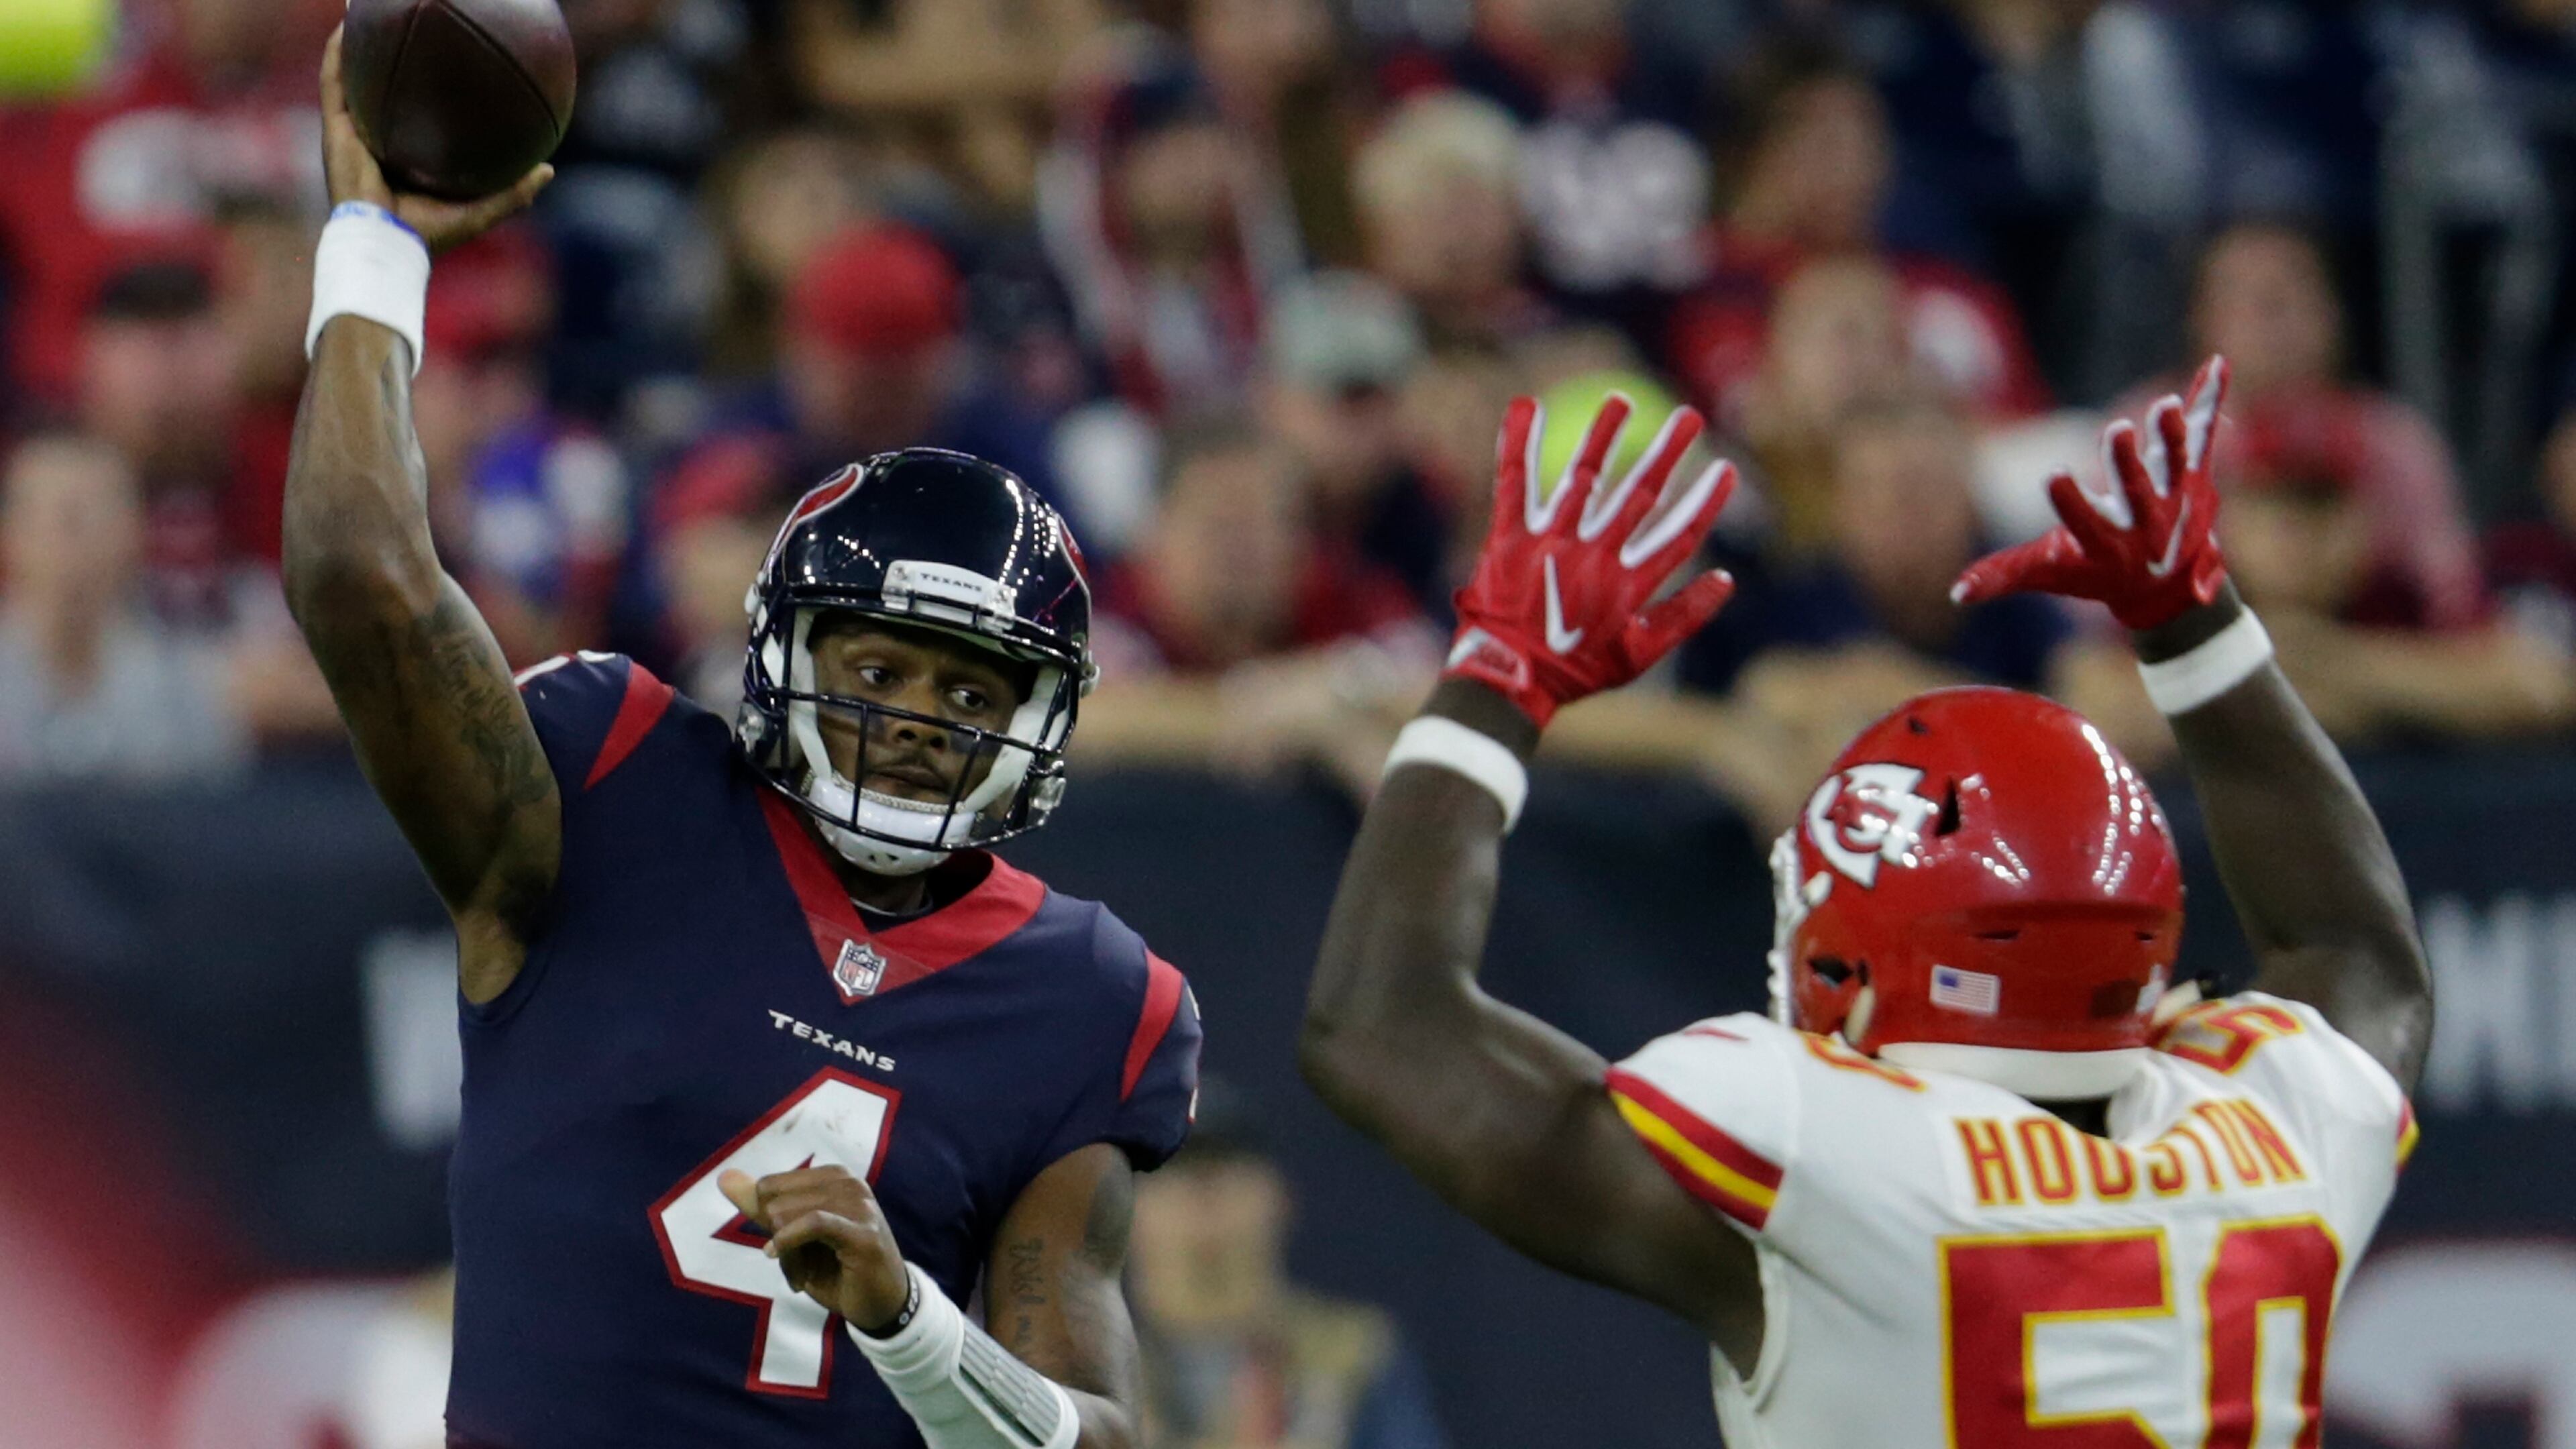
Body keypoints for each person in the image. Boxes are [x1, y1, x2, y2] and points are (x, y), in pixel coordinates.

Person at [285, 32, 1200, 1449]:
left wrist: (914, 1325)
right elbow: (359, 574)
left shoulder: (1094, 999)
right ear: (780, 652)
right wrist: (374, 253)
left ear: (1040, 725)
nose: (913, 723)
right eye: (880, 666)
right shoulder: (612, 775)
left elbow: (1105, 1437)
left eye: (970, 695)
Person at [1299, 361, 2430, 1444]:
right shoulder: (2275, 1139)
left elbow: (1379, 1029)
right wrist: (2200, 634)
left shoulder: (1827, 1161)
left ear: (1854, 964)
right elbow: (2355, 947)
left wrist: (1499, 677)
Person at [1124, 1081, 1448, 1449]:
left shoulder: (1352, 1358)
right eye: (1176, 1176)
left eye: (1224, 1172)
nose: (1202, 1201)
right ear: (1128, 1214)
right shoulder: (1090, 1372)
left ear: (1278, 1198)